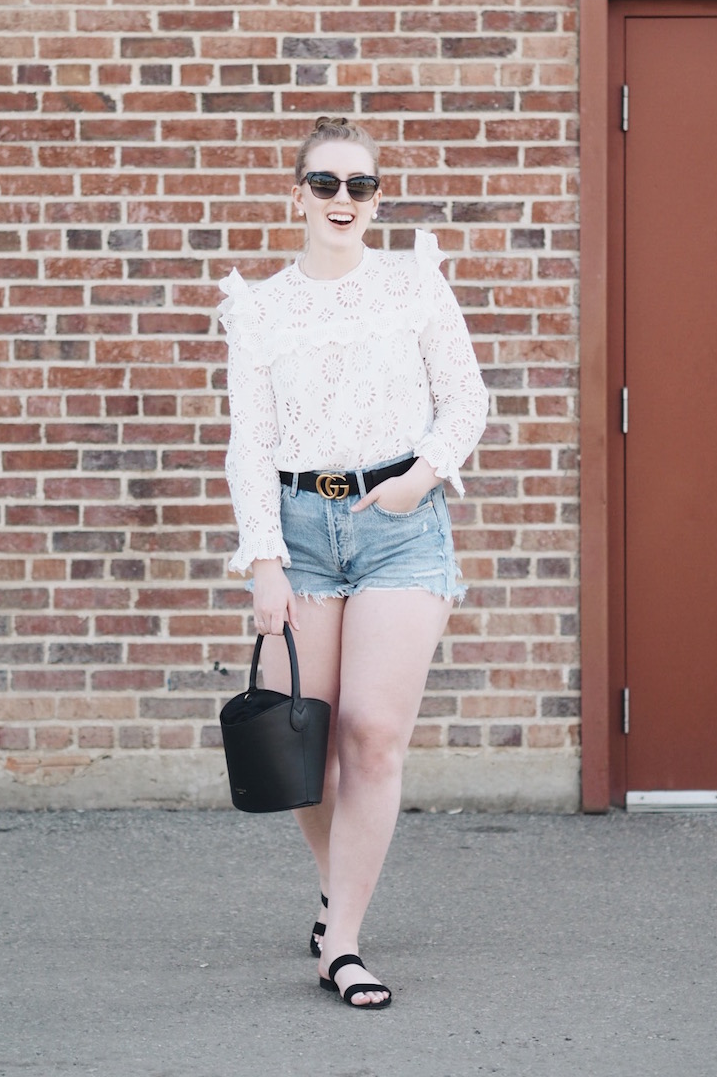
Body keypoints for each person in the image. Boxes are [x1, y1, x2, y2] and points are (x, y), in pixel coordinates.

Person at [217, 116, 488, 1009]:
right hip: (297, 531)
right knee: (306, 737)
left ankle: (344, 943)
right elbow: (248, 444)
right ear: (296, 194)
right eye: (326, 184)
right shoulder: (259, 306)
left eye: (359, 186)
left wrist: (420, 480)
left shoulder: (413, 284)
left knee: (372, 732)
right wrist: (263, 559)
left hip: (398, 526)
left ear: (376, 198)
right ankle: (340, 888)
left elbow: (466, 400)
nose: (343, 200)